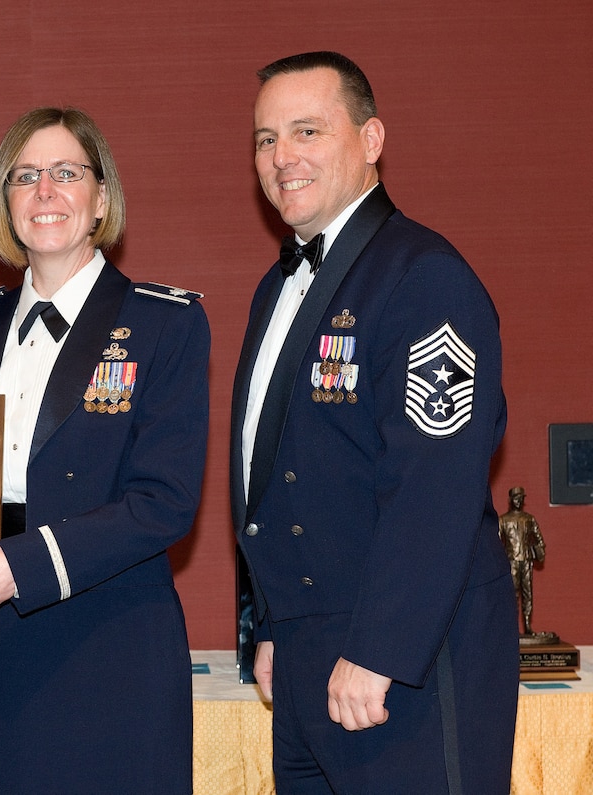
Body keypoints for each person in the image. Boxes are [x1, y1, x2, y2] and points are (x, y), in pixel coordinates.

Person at [230, 52, 518, 793]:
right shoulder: (277, 288)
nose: (281, 156)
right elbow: (273, 474)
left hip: (402, 667)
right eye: (266, 139)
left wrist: (382, 649)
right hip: (304, 663)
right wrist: (272, 626)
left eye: (306, 130)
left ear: (372, 139)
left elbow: (435, 484)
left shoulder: (425, 277)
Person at [0, 107, 210, 794]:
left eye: (65, 173)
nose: (44, 192)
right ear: (5, 201)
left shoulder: (163, 322)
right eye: (24, 176)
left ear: (101, 198)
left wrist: (20, 564)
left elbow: (165, 503)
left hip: (110, 644)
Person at [498, 486, 546, 636]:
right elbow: (497, 544)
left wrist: (539, 551)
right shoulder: (503, 520)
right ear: (510, 500)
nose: (518, 501)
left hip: (526, 561)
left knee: (527, 594)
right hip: (511, 562)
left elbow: (539, 539)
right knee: (513, 595)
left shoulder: (529, 519)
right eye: (516, 498)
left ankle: (527, 626)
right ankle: (512, 628)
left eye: (521, 498)